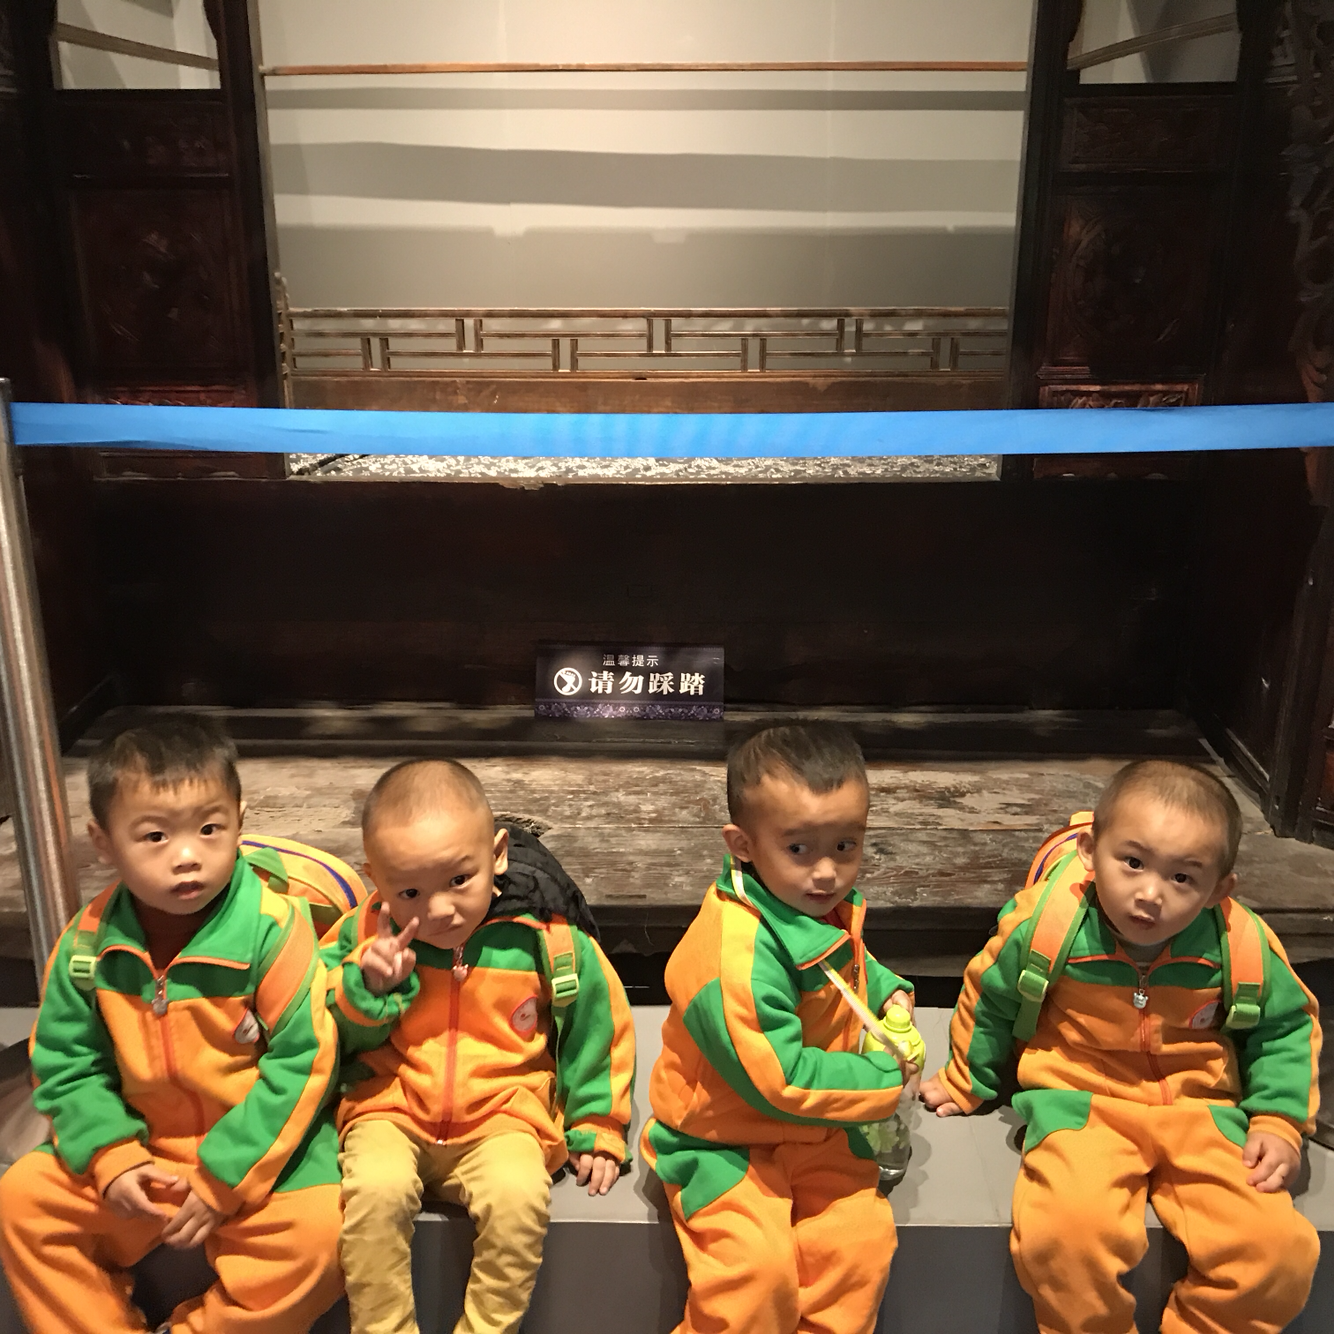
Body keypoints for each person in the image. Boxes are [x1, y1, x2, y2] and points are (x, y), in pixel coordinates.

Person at [921, 759, 1322, 1334]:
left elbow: (1283, 1028)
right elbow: (991, 995)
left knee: (1276, 1254)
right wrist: (968, 1079)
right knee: (1064, 1236)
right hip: (1081, 1104)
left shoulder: (1241, 945)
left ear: (1219, 890)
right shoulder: (1049, 925)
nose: (1150, 894)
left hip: (1206, 1113)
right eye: (1132, 863)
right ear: (1090, 851)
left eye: (1182, 878)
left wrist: (1278, 1119)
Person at [0, 714, 343, 1334]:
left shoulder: (275, 927)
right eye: (154, 836)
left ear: (239, 820)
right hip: (142, 1155)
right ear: (103, 842)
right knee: (24, 1201)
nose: (187, 857)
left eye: (210, 829)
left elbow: (304, 1063)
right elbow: (65, 1064)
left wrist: (224, 1179)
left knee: (323, 1237)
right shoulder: (86, 944)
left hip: (258, 1160)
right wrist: (112, 1157)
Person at [324, 759, 635, 1334]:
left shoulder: (548, 938)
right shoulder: (362, 934)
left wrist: (597, 1124)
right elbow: (322, 1034)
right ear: (376, 879)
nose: (439, 909)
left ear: (497, 855)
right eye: (410, 891)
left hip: (504, 1117)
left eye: (459, 880)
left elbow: (598, 1028)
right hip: (389, 1111)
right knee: (372, 1194)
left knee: (520, 1201)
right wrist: (366, 988)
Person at [642, 722, 916, 1334]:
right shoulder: (733, 955)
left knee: (858, 1250)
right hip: (721, 1140)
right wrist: (884, 1078)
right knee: (754, 1277)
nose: (827, 872)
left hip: (819, 1131)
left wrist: (889, 992)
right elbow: (781, 1077)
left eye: (845, 845)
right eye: (800, 849)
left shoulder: (807, 907)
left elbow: (844, 966)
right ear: (742, 844)